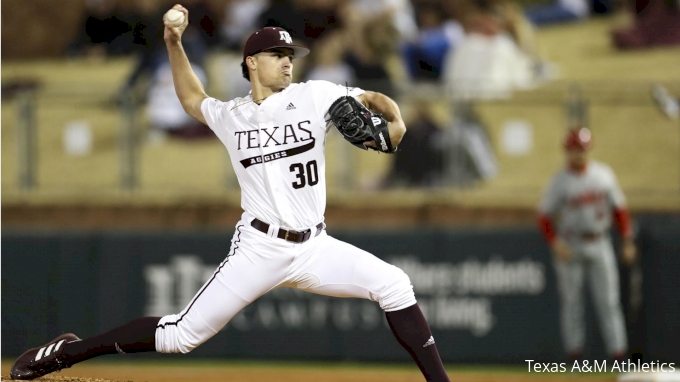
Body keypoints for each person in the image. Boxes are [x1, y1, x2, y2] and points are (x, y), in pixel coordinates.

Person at [9, 5, 451, 382]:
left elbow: (373, 98)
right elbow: (189, 98)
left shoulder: (315, 95)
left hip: (315, 246)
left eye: (290, 54)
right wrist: (173, 41)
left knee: (394, 284)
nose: (287, 61)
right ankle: (70, 351)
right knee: (180, 337)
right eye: (277, 54)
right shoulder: (231, 115)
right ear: (251, 63)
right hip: (259, 247)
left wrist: (394, 119)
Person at [537, 127, 636, 362]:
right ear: (566, 151)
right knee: (572, 304)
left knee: (609, 302)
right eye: (573, 149)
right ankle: (575, 358)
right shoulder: (559, 181)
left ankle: (619, 356)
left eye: (581, 148)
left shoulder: (603, 174)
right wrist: (554, 243)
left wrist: (627, 240)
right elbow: (543, 217)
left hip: (600, 240)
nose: (577, 154)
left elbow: (620, 210)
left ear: (588, 149)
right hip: (571, 243)